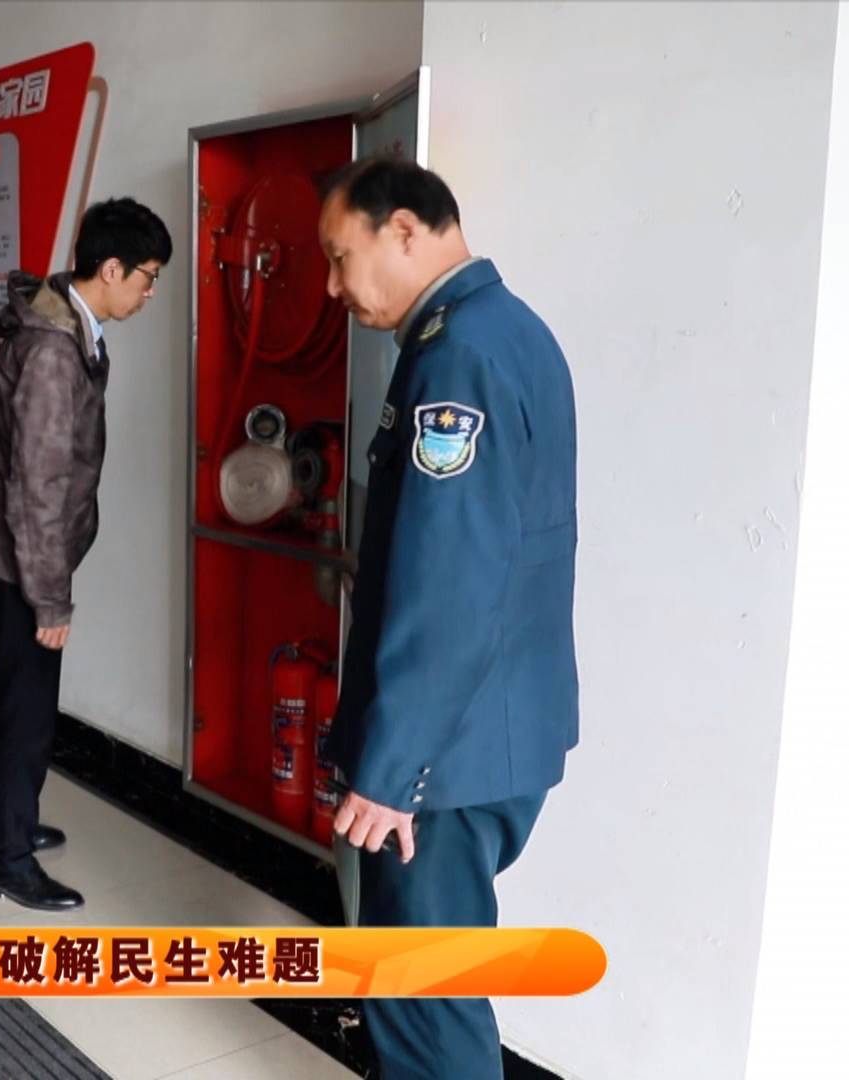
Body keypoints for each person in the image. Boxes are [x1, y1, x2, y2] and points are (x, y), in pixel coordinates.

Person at [317, 158, 578, 1080]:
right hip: (484, 733)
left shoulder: (459, 355)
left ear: (403, 229)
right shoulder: (507, 332)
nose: (333, 286)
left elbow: (451, 584)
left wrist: (393, 771)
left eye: (339, 257)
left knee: (425, 1001)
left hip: (446, 757)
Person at [0, 197, 172, 911]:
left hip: (13, 553)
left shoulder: (61, 321)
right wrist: (50, 600)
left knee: (15, 696)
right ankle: (7, 860)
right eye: (147, 276)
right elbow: (39, 485)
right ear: (110, 269)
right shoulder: (53, 350)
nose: (150, 291)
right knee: (29, 714)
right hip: (25, 564)